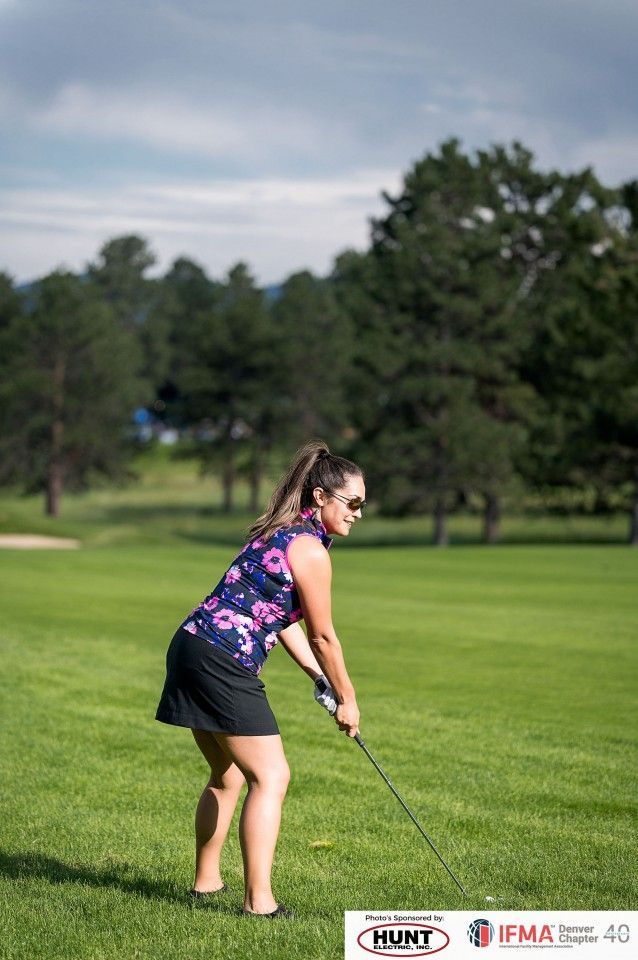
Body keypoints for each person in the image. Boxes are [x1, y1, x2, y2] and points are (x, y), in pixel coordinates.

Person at [155, 439, 365, 917]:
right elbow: (324, 636)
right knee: (271, 776)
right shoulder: (310, 550)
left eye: (362, 506)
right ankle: (260, 903)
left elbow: (281, 617)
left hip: (190, 646)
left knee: (227, 775)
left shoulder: (279, 533)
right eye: (351, 503)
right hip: (222, 662)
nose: (357, 513)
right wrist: (348, 699)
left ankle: (206, 884)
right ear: (320, 497)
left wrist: (318, 678)